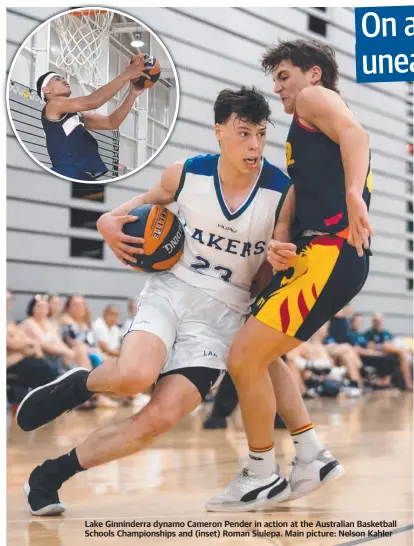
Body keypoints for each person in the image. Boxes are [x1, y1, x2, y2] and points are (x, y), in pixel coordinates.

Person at [16, 86, 335, 516]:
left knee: (159, 420)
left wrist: (282, 258)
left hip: (223, 319)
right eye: (244, 133)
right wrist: (109, 222)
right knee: (133, 376)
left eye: (261, 133)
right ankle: (79, 383)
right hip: (171, 292)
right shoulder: (183, 174)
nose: (255, 144)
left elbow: (276, 260)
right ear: (219, 131)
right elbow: (137, 209)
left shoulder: (282, 191)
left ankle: (49, 475)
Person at [207, 38, 373, 511]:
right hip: (312, 253)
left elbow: (358, 139)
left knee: (242, 358)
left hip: (332, 250)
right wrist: (280, 231)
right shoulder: (305, 123)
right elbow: (301, 185)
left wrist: (355, 195)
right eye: (276, 79)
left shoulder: (313, 99)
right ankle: (310, 454)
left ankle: (260, 474)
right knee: (261, 354)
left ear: (313, 73)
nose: (279, 88)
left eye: (284, 76)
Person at [36, 54, 149, 181]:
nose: (63, 79)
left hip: (81, 175)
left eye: (63, 77)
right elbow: (93, 101)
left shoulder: (76, 116)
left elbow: (111, 123)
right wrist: (126, 75)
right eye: (57, 79)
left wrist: (133, 94)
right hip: (66, 173)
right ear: (46, 90)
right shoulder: (52, 105)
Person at [7, 290, 60, 393]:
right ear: (33, 308)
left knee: (47, 368)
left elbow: (26, 342)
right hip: (12, 360)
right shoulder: (28, 323)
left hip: (22, 357)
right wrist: (27, 346)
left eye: (9, 300)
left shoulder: (9, 322)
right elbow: (11, 343)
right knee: (45, 370)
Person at [20, 295, 76, 368]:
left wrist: (69, 351)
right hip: (38, 357)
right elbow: (44, 344)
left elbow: (58, 340)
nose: (43, 309)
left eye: (45, 307)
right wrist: (67, 352)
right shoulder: (29, 323)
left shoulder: (47, 322)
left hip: (55, 355)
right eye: (39, 306)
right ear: (33, 308)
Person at [365, 313, 412, 390]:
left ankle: (406, 383)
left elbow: (392, 343)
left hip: (390, 353)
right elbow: (371, 347)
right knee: (399, 352)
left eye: (379, 320)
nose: (378, 322)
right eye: (376, 320)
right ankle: (408, 383)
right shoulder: (369, 333)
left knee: (402, 353)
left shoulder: (386, 333)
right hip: (380, 353)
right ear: (373, 321)